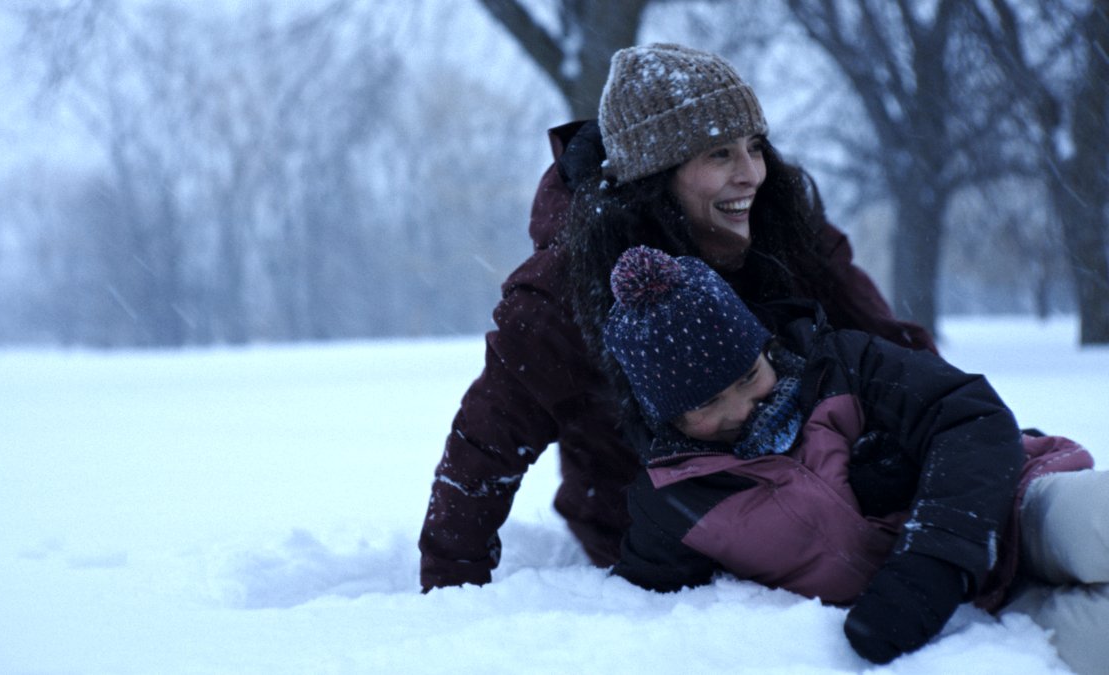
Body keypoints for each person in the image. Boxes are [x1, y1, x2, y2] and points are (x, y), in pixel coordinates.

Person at [418, 43, 935, 592]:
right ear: (655, 174)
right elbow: (483, 451)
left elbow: (893, 350)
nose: (751, 175)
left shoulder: (784, 225)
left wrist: (948, 438)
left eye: (754, 147)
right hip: (666, 545)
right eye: (718, 155)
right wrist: (451, 595)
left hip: (824, 486)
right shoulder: (561, 294)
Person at [601, 244, 1108, 673]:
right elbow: (642, 615)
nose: (741, 408)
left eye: (748, 376)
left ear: (765, 346)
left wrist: (934, 557)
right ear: (666, 417)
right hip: (979, 616)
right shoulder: (673, 504)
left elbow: (968, 415)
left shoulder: (841, 365)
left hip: (1014, 504)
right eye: (707, 403)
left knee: (1097, 524)